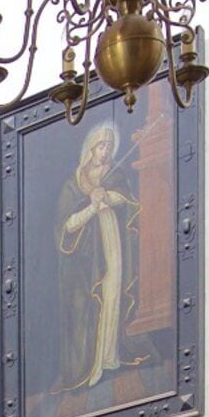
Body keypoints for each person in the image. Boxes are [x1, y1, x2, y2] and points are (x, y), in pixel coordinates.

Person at [52, 118, 138, 397]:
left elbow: (126, 199)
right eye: (101, 145)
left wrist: (109, 196)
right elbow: (67, 225)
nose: (105, 151)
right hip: (86, 256)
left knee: (112, 295)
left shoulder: (116, 174)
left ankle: (109, 358)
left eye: (109, 146)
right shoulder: (73, 183)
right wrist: (92, 205)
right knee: (91, 304)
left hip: (112, 242)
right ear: (90, 148)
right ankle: (92, 366)